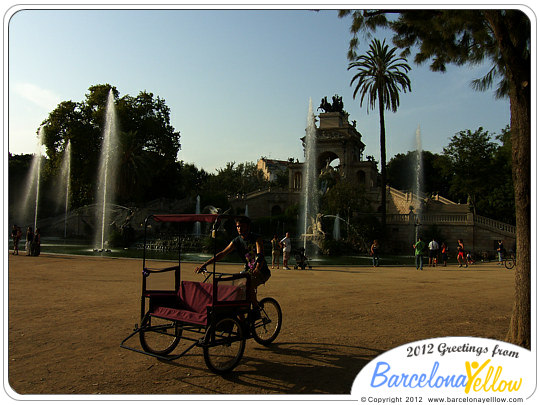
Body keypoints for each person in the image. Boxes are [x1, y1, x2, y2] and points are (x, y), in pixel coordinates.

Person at [194, 216, 270, 306]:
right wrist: (205, 264)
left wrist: (257, 268)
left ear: (248, 226)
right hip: (248, 271)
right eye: (237, 226)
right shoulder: (237, 241)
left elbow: (260, 254)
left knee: (247, 286)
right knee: (234, 289)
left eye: (242, 226)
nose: (239, 228)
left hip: (261, 271)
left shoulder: (256, 238)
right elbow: (222, 253)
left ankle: (256, 309)